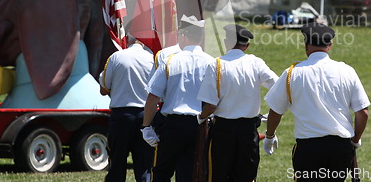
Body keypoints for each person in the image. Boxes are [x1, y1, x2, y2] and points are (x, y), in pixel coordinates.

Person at [263, 23, 370, 182]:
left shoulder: (292, 73)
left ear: (306, 46)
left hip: (309, 148)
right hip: (340, 148)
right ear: (330, 45)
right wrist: (355, 140)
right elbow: (363, 113)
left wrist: (269, 136)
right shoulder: (347, 71)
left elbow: (275, 111)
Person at [197, 24, 279, 181]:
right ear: (246, 46)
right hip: (248, 131)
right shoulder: (256, 63)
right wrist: (270, 113)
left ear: (227, 42)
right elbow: (278, 87)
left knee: (217, 176)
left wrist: (200, 117)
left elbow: (211, 105)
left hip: (222, 130)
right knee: (245, 176)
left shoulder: (216, 64)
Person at [141, 15, 214, 182]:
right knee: (190, 173)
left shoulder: (170, 61)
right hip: (200, 125)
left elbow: (153, 97)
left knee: (161, 172)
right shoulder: (211, 62)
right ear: (201, 36)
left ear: (183, 36)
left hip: (172, 125)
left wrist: (146, 126)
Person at [99, 36, 155, 182]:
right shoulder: (152, 59)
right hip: (145, 115)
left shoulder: (116, 57)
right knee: (144, 164)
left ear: (128, 39)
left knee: (117, 162)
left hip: (121, 116)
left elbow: (103, 89)